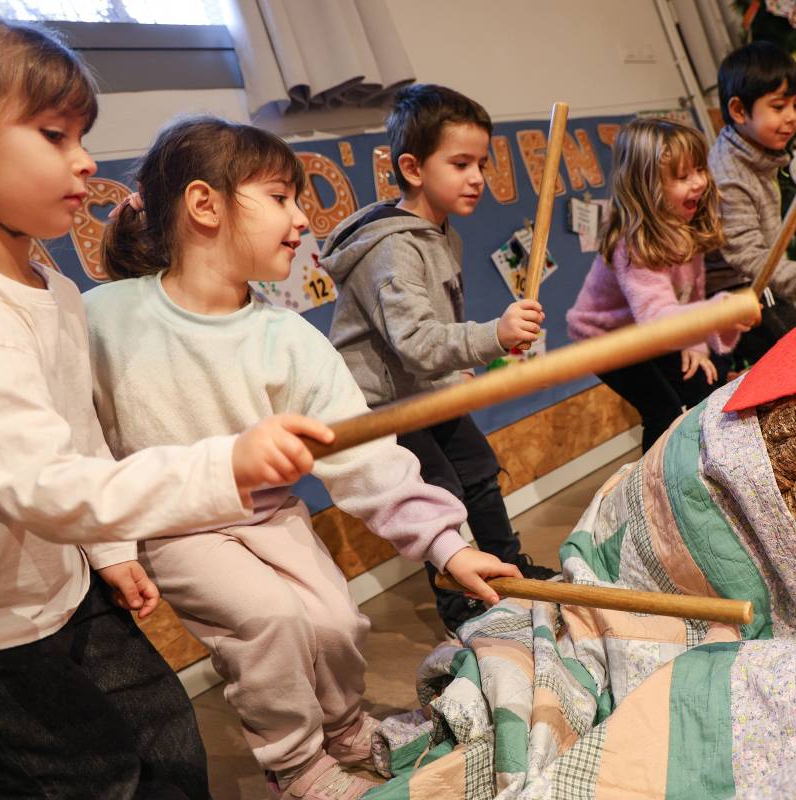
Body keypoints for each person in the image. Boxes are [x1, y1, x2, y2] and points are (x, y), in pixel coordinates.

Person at [85, 116, 520, 799]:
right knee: (272, 623)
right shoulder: (103, 318)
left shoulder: (287, 336)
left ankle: (347, 734)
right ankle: (296, 767)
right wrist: (109, 548)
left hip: (269, 514)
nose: (301, 220)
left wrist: (446, 545)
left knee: (334, 621)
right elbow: (80, 442)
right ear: (205, 205)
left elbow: (365, 454)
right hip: (179, 527)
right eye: (281, 198)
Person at [0, 12, 333, 798]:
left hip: (66, 589)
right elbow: (42, 484)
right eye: (53, 134)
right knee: (96, 778)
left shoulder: (54, 288)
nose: (85, 158)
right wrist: (223, 463)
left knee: (169, 748)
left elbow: (80, 437)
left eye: (80, 135)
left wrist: (111, 554)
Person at [318, 84, 553, 635]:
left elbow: (433, 337)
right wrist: (494, 335)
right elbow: (417, 342)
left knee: (478, 470)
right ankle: (459, 602)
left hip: (423, 390)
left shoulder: (440, 233)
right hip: (382, 406)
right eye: (461, 163)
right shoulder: (394, 248)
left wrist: (452, 371)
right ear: (413, 168)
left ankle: (506, 569)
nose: (477, 177)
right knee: (439, 490)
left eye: (483, 163)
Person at [566, 118, 747, 450]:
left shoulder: (683, 223)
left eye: (699, 170)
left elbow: (692, 293)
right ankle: (650, 490)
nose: (698, 183)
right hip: (605, 339)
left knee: (703, 381)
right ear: (646, 187)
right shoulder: (633, 245)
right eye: (681, 177)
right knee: (662, 409)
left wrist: (695, 342)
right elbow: (657, 316)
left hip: (645, 330)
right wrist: (715, 314)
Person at [704, 40, 796, 365]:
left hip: (761, 276)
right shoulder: (728, 174)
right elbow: (748, 255)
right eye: (778, 106)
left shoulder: (756, 150)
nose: (792, 118)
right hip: (738, 292)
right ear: (739, 110)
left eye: (795, 105)